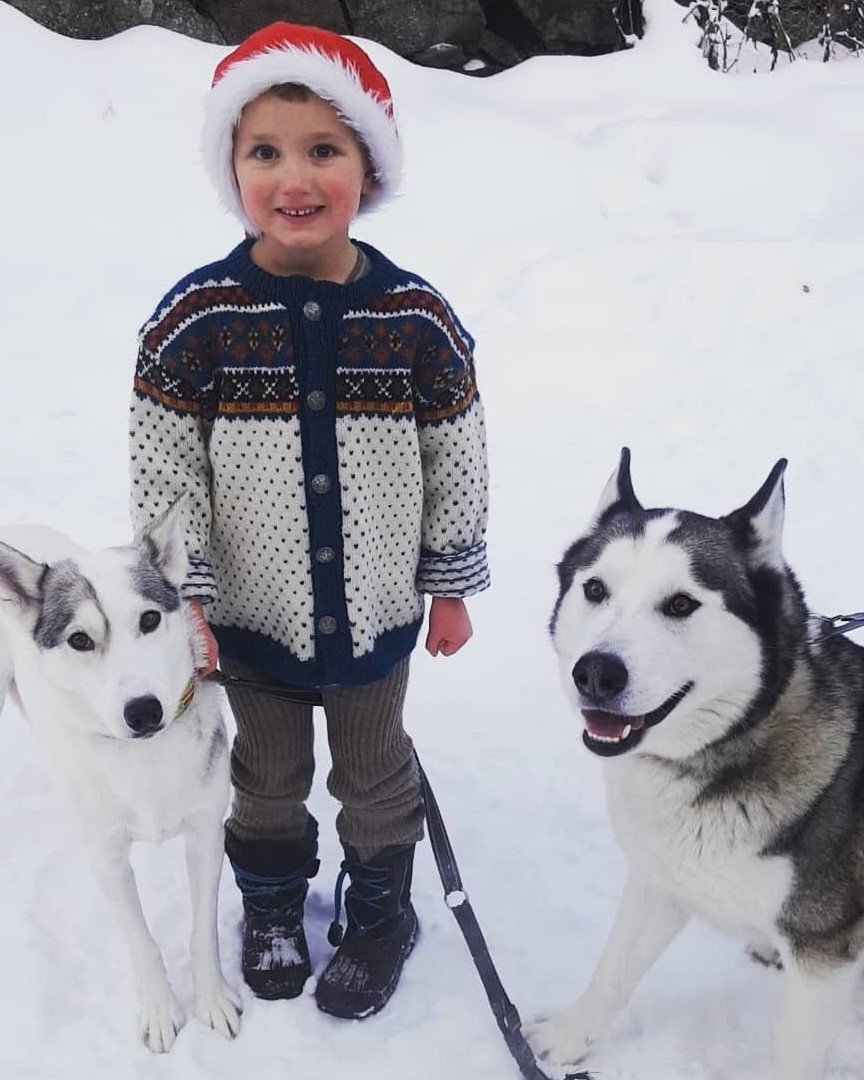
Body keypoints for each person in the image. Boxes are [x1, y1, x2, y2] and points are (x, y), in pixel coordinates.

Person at [129, 22, 489, 1020]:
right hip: (248, 622)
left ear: (368, 168)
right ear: (232, 168)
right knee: (267, 776)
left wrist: (450, 582)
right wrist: (187, 598)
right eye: (264, 152)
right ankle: (275, 906)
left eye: (323, 149)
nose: (294, 178)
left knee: (375, 776)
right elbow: (165, 475)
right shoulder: (196, 320)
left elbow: (455, 454)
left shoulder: (414, 318)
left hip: (376, 616)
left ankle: (378, 916)